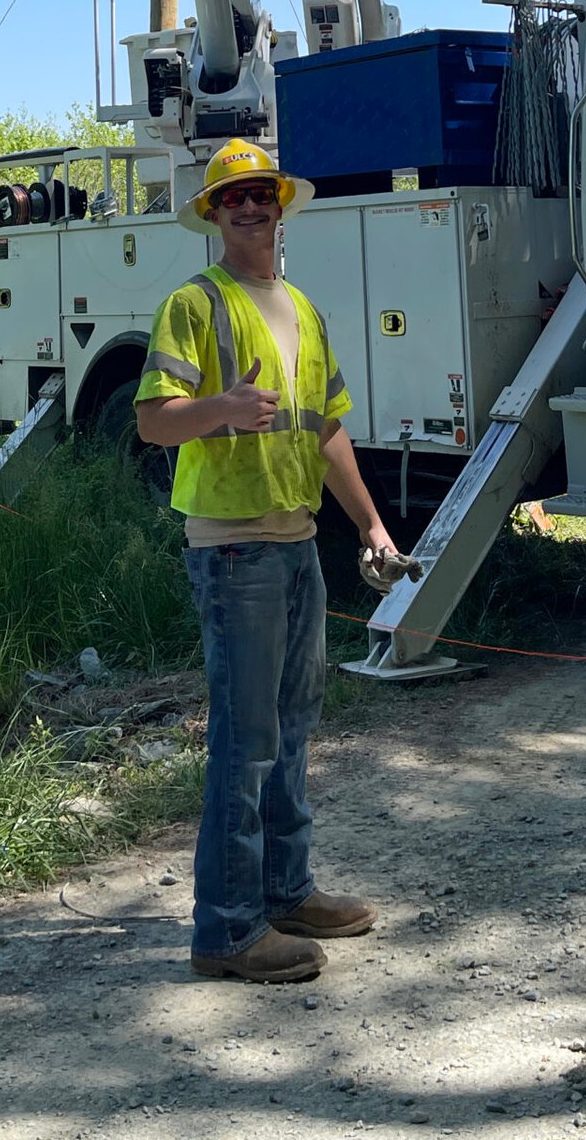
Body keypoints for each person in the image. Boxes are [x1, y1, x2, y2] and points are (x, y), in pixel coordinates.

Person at [134, 139, 397, 984]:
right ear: (213, 214)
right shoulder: (195, 304)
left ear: (281, 208)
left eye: (261, 195)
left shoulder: (303, 310)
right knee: (245, 740)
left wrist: (373, 526)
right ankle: (226, 930)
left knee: (290, 728)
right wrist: (222, 407)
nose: (249, 207)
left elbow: (326, 430)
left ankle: (287, 892)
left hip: (295, 543)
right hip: (234, 547)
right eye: (233, 198)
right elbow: (153, 423)